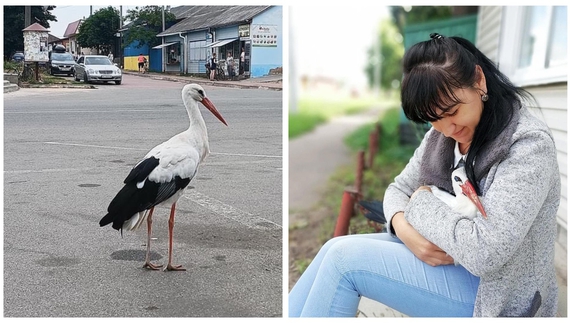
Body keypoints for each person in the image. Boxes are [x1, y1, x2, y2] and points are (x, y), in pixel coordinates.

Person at [288, 33, 560, 317]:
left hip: (497, 296)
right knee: (334, 247)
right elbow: (397, 189)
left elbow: (486, 252)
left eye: (453, 111)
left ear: (479, 80)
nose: (446, 129)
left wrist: (419, 203)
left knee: (343, 263)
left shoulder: (528, 145)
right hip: (449, 262)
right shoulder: (440, 137)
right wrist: (406, 232)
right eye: (433, 119)